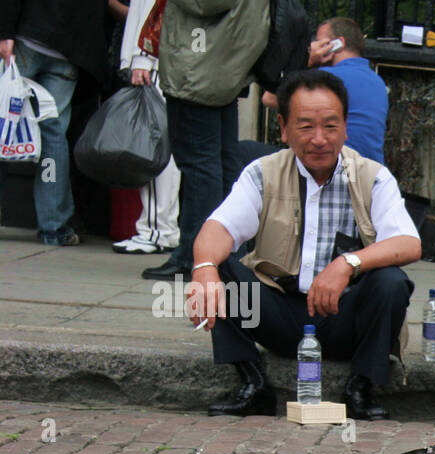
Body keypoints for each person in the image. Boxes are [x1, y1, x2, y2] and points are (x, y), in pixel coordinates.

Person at [186, 70, 421, 421]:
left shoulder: (372, 176)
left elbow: (408, 243)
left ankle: (361, 387)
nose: (319, 139)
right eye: (306, 126)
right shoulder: (262, 172)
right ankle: (252, 383)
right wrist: (203, 268)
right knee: (218, 269)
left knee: (391, 281)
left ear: (345, 127)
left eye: (330, 126)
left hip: (343, 316)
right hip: (277, 312)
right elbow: (219, 228)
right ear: (283, 127)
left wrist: (348, 264)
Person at [141, 0, 268, 281]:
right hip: (219, 70)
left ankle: (195, 256)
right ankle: (223, 253)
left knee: (201, 167)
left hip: (200, 73)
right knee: (220, 164)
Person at [0, 2, 112, 246]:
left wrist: (5, 32)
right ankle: (53, 226)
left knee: (4, 124)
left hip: (27, 39)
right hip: (69, 49)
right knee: (53, 133)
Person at [260, 17, 387, 165]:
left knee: (245, 150)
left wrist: (307, 60)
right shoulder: (378, 82)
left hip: (332, 165)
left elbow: (269, 98)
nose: (315, 46)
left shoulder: (327, 79)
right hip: (370, 170)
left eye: (320, 42)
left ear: (337, 44)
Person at [112, 0, 180, 256]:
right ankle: (163, 229)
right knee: (167, 150)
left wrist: (143, 57)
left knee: (155, 148)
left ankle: (156, 230)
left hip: (156, 60)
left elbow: (155, 9)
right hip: (165, 59)